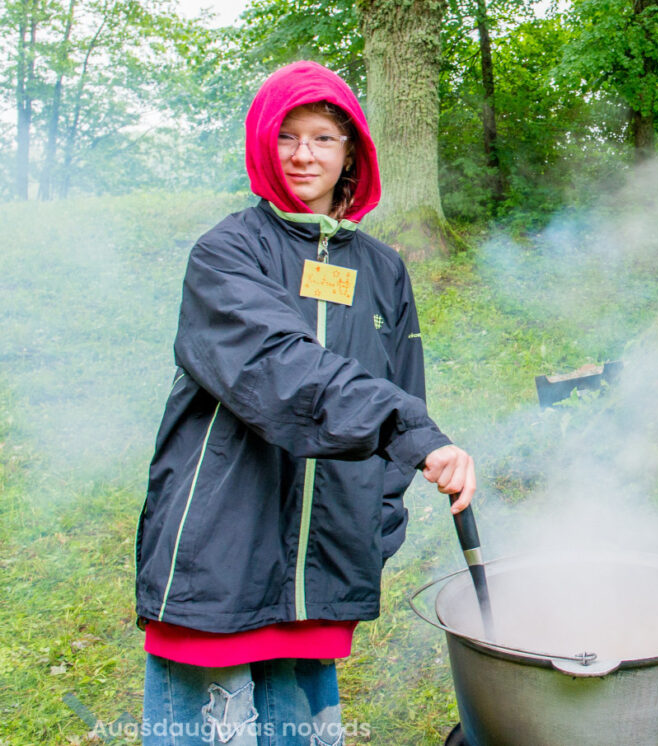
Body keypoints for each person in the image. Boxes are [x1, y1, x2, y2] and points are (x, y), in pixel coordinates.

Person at [135, 60, 477, 745]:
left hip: (322, 562)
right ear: (264, 145)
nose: (303, 154)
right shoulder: (227, 252)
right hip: (221, 549)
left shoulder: (382, 268)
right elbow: (278, 366)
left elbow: (404, 384)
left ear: (351, 151)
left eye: (323, 137)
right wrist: (409, 430)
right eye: (286, 136)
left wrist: (376, 522)